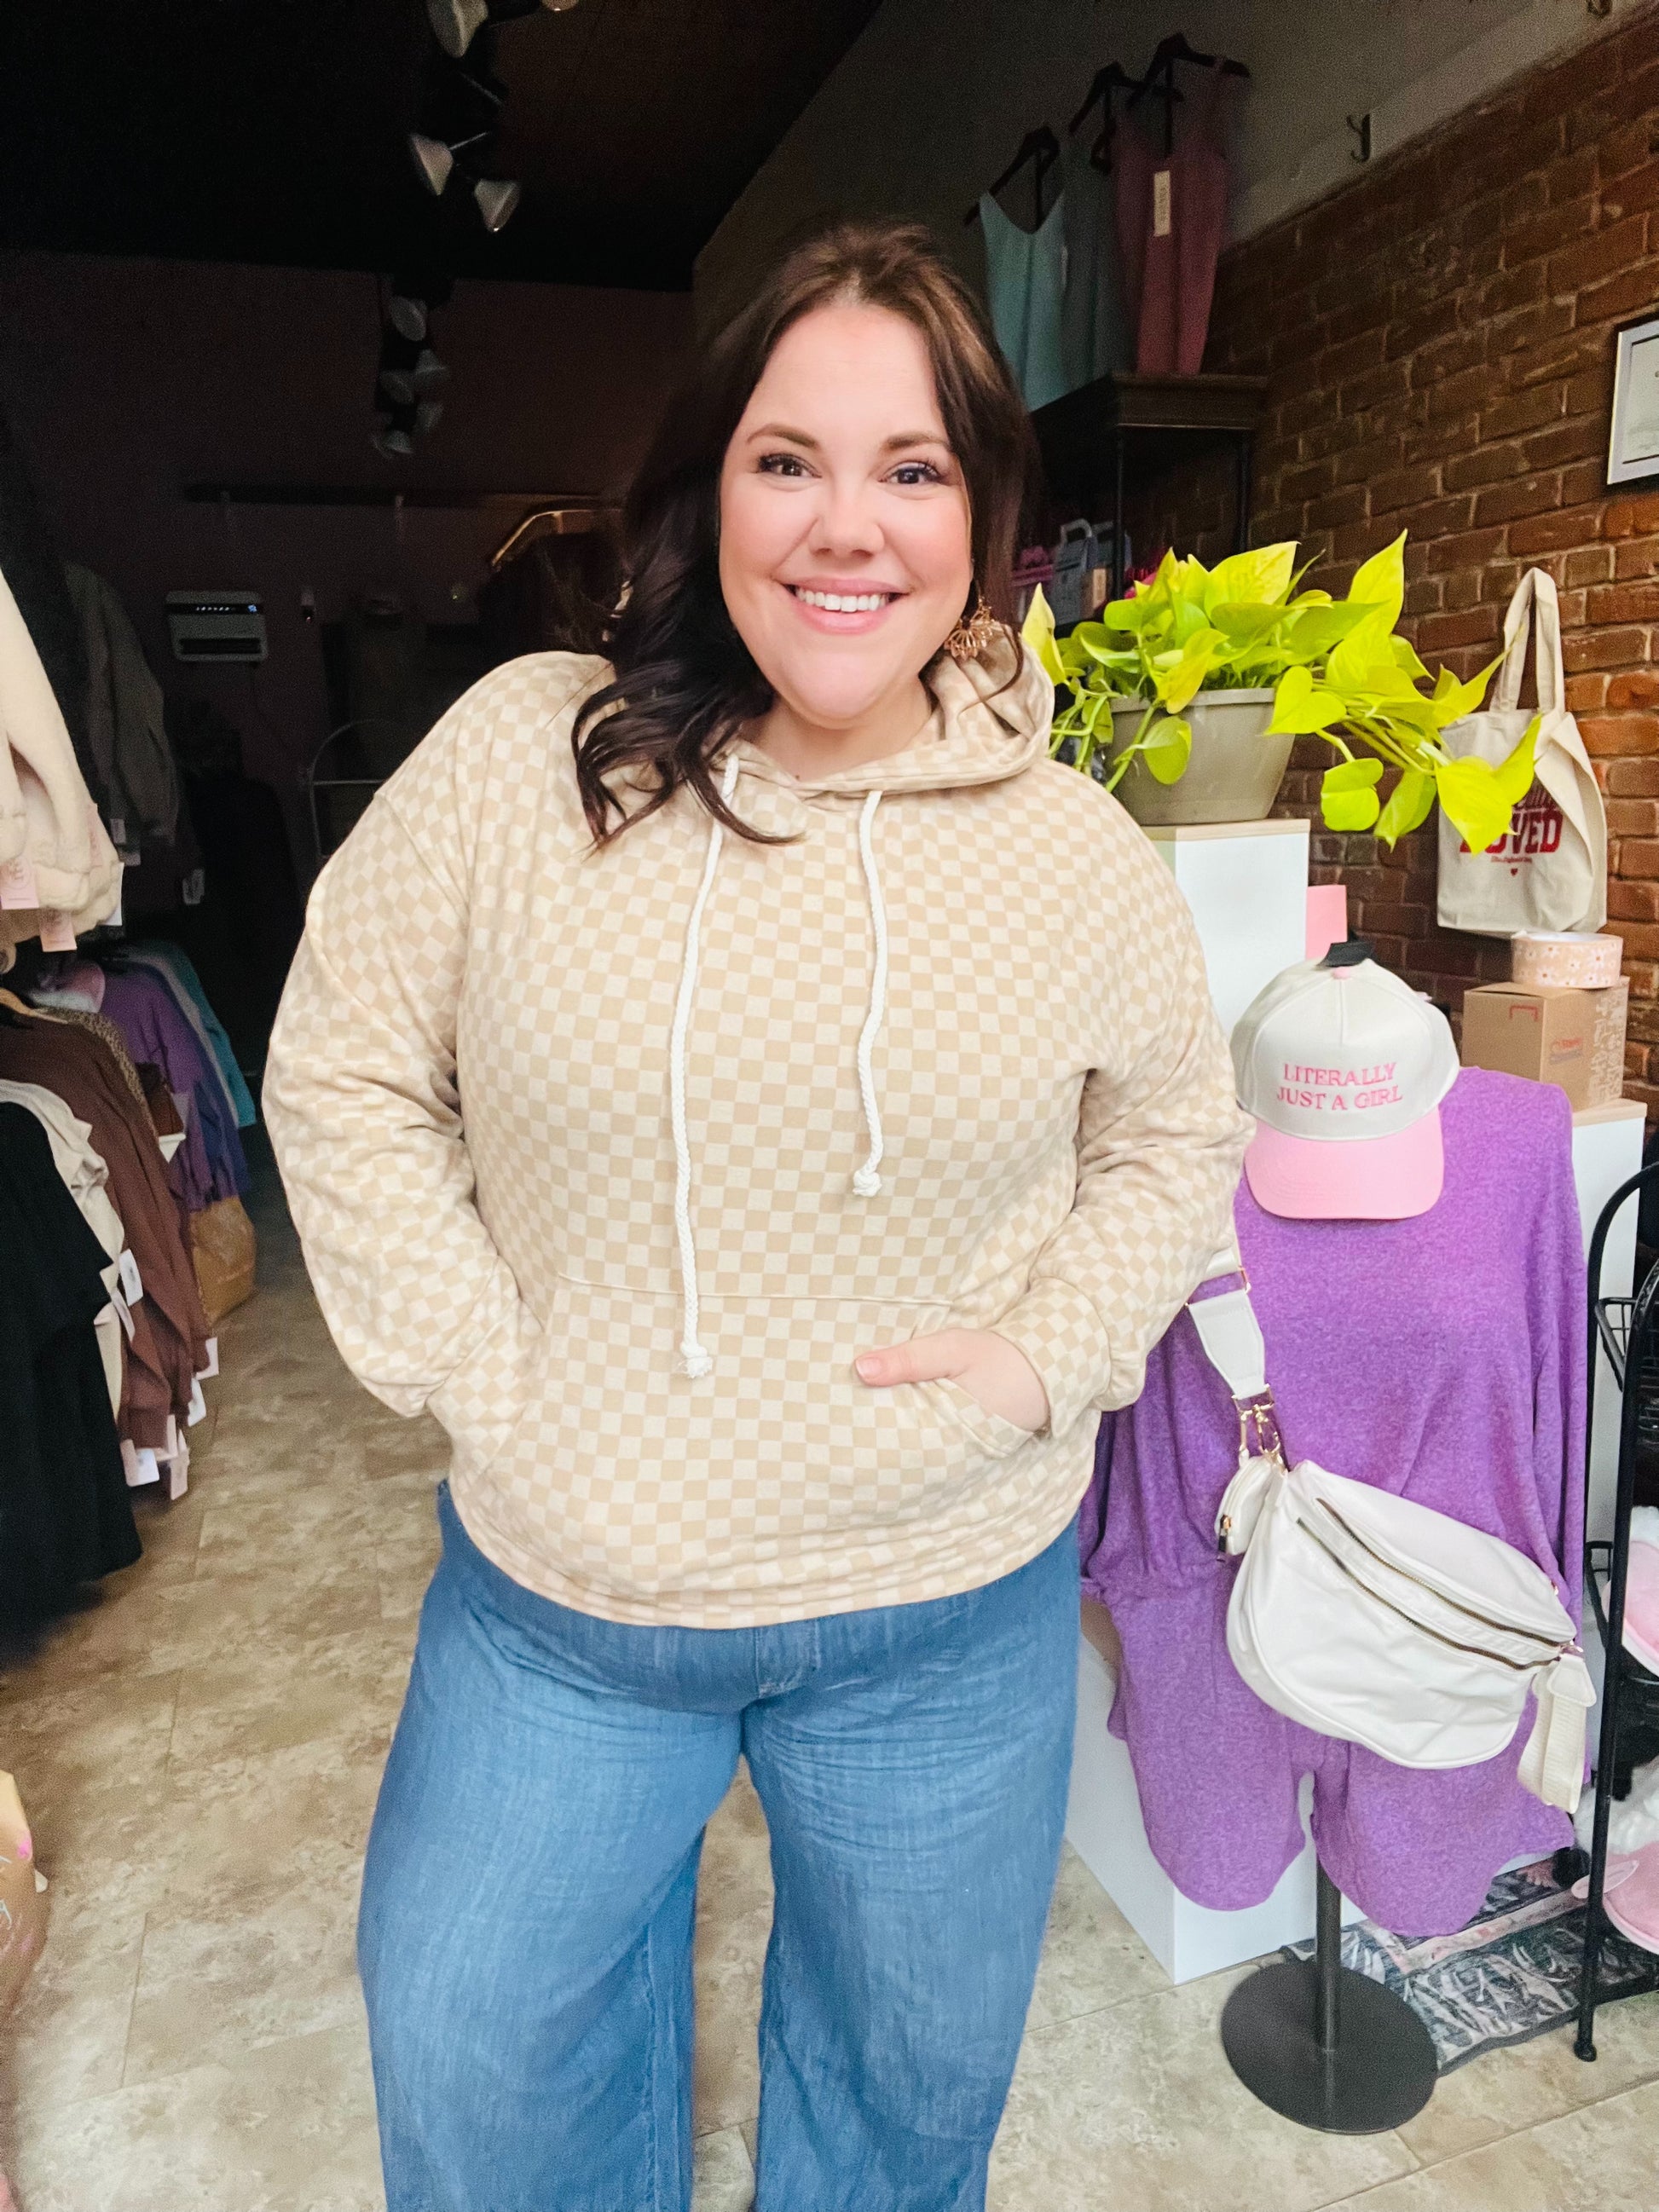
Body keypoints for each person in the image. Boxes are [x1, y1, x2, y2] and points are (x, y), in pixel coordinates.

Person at [264, 217, 1250, 2212]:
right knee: (473, 2058)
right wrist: (490, 1367)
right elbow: (344, 1062)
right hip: (571, 1603)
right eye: (787, 458)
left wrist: (1047, 1356)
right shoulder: (529, 759)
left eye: (912, 468)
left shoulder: (1069, 848)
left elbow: (1173, 1128)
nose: (844, 526)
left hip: (944, 1601)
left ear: (982, 521)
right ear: (708, 484)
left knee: (905, 2104)